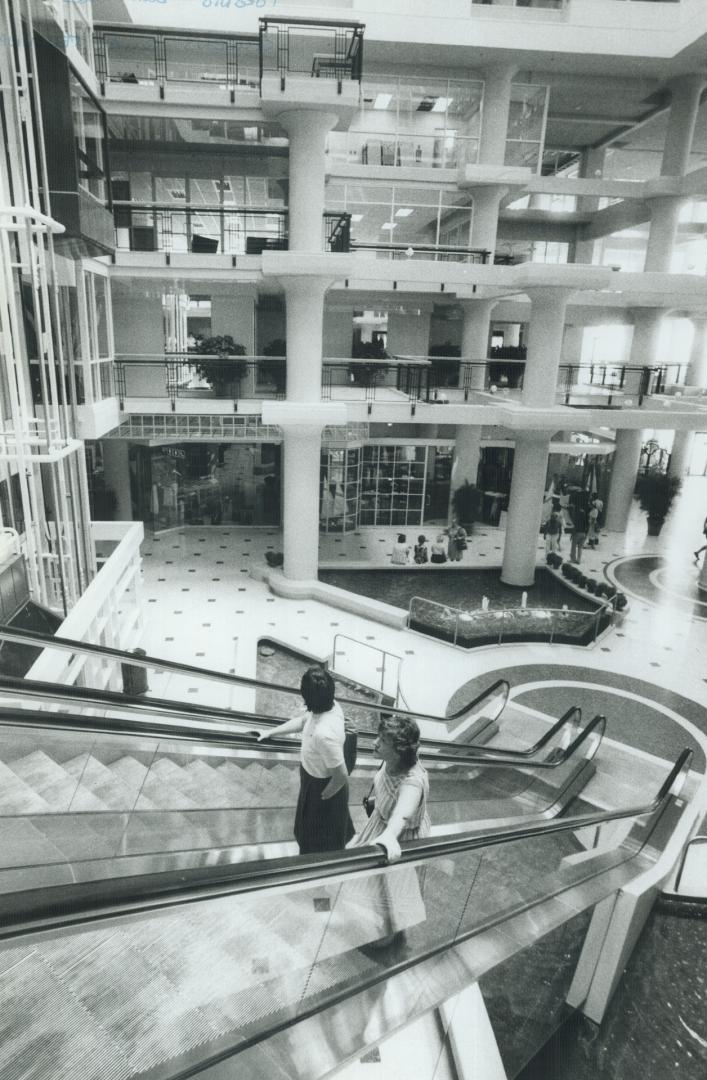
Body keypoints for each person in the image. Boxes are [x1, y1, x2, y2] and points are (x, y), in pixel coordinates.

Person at [347, 715, 430, 949]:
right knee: (377, 882)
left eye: (382, 741)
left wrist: (389, 834)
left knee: (394, 888)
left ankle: (391, 931)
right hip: (380, 824)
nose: (375, 743)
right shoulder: (391, 760)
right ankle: (385, 924)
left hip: (399, 837)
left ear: (399, 751)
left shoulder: (412, 782)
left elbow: (402, 814)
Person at [258, 667, 353, 854]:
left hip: (322, 786)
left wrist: (323, 796)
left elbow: (341, 775)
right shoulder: (331, 705)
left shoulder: (323, 734)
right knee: (316, 834)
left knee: (317, 840)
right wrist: (270, 732)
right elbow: (304, 721)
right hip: (314, 780)